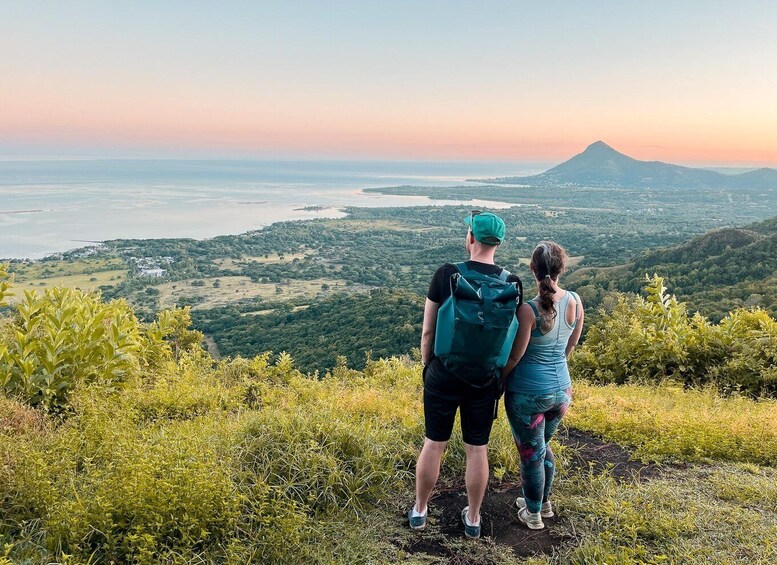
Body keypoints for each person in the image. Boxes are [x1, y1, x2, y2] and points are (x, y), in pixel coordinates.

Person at [408, 211, 522, 539]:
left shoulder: (446, 275)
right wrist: (499, 373)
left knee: (434, 444)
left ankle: (419, 511)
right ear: (498, 242)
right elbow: (510, 336)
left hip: (444, 373)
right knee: (477, 448)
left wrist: (428, 367)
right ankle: (473, 518)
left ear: (470, 237)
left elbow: (428, 333)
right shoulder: (512, 283)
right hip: (486, 377)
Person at [501, 240, 584, 530]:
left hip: (528, 393)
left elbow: (515, 356)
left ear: (533, 269)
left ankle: (533, 513)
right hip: (562, 390)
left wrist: (498, 380)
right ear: (561, 268)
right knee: (542, 447)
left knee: (531, 454)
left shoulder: (528, 311)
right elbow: (568, 349)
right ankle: (543, 503)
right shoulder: (575, 301)